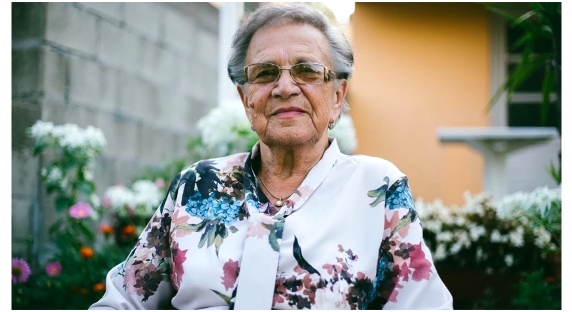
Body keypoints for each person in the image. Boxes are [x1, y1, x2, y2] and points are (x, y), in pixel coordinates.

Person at [90, 3, 453, 310]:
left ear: (338, 97)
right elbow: (123, 299)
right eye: (264, 73)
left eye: (307, 70)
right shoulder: (198, 185)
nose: (284, 87)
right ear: (247, 99)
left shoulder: (377, 188)